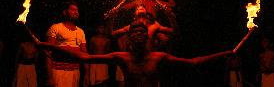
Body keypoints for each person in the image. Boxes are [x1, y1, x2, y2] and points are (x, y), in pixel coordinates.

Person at [37, 19, 234, 87]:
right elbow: (85, 57)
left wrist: (224, 53)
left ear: (147, 37)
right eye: (135, 32)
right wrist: (49, 46)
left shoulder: (159, 57)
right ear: (130, 37)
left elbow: (193, 62)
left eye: (142, 31)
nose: (139, 34)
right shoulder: (121, 57)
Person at [45, 1, 89, 87]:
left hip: (75, 72)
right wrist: (49, 77)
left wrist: (87, 74)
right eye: (72, 10)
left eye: (77, 10)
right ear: (65, 12)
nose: (76, 12)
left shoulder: (81, 32)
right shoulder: (55, 27)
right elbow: (47, 53)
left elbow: (85, 54)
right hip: (59, 72)